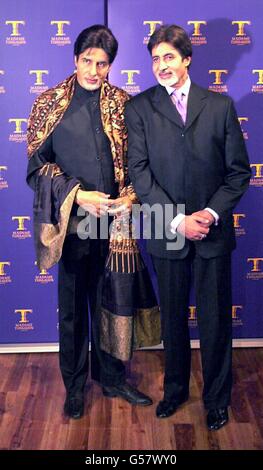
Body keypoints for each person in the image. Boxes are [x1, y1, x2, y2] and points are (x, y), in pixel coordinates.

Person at [26, 25, 159, 419]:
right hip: (72, 228)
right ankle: (74, 387)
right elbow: (37, 168)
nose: (94, 70)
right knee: (71, 311)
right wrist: (79, 195)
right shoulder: (50, 104)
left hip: (115, 228)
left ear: (110, 66)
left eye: (102, 64)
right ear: (75, 59)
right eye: (87, 60)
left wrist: (127, 198)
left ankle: (114, 379)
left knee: (113, 303)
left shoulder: (124, 105)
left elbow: (140, 163)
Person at [125, 24, 251, 430]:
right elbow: (140, 174)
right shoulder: (140, 108)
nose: (162, 65)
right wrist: (178, 220)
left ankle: (217, 400)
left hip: (212, 233)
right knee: (174, 319)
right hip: (167, 231)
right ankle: (175, 390)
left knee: (215, 321)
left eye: (169, 57)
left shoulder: (220, 106)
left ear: (187, 59)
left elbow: (238, 174)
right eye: (156, 59)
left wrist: (209, 216)